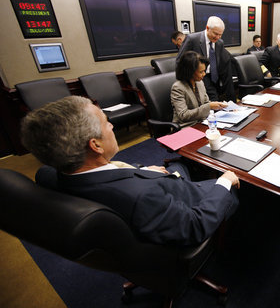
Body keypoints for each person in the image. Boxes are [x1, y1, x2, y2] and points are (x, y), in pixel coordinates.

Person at [21, 96, 240, 246]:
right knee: (236, 188)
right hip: (186, 205)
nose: (112, 127)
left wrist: (143, 170)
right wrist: (225, 182)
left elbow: (113, 177)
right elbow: (194, 226)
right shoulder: (142, 197)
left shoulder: (49, 175)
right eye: (107, 123)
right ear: (95, 145)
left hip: (153, 187)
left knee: (181, 164)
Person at [177, 16, 235, 102]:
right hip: (201, 77)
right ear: (207, 28)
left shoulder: (219, 43)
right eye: (215, 34)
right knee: (214, 99)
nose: (218, 37)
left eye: (220, 34)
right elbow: (179, 62)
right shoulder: (192, 39)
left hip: (215, 76)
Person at [171, 51, 228, 127]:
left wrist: (218, 105)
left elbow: (206, 103)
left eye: (204, 71)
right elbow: (183, 115)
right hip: (186, 126)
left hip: (202, 122)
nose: (204, 74)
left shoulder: (199, 83)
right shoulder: (178, 88)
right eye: (201, 72)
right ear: (190, 72)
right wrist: (209, 106)